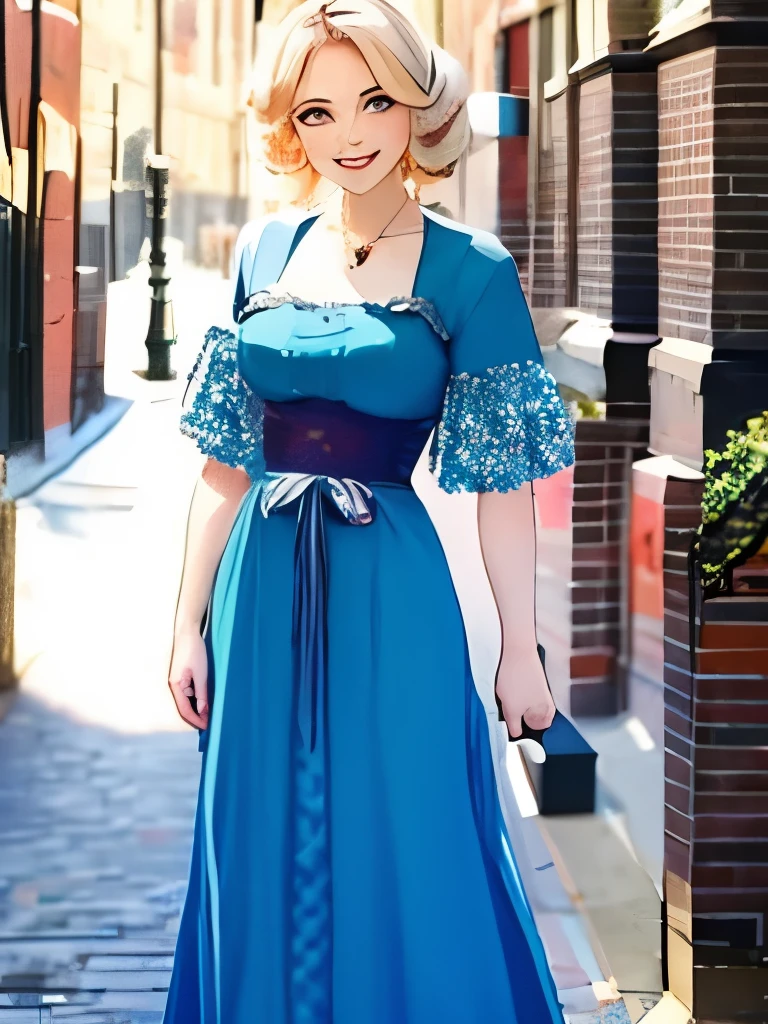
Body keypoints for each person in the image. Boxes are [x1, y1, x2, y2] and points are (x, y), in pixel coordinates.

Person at [162, 1, 575, 1020]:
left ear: (415, 108)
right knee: (255, 836)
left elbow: (504, 486)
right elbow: (223, 467)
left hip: (394, 588)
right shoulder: (264, 251)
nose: (348, 134)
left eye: (373, 101)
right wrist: (185, 622)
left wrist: (520, 649)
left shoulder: (471, 270)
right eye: (316, 112)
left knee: (412, 828)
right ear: (288, 125)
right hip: (258, 597)